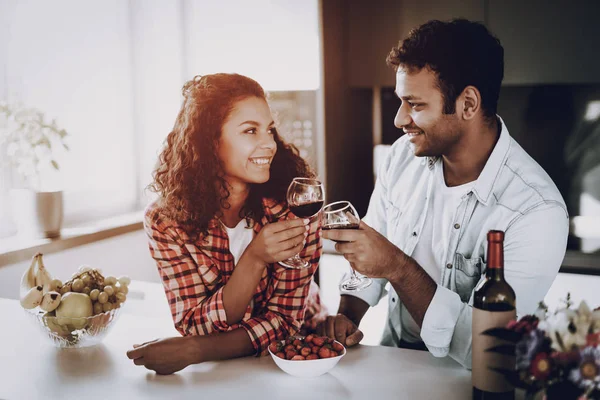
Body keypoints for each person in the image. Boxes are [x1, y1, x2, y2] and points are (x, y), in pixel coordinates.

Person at [320, 19, 569, 368]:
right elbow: (372, 255)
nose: (398, 119)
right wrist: (348, 313)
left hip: (473, 381)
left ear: (468, 104)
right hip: (394, 359)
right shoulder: (402, 157)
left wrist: (398, 267)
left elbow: (484, 347)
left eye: (415, 104)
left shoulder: (535, 211)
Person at [127, 73, 326, 375]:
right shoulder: (165, 221)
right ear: (210, 142)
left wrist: (196, 351)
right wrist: (256, 258)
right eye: (250, 131)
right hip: (223, 377)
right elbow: (195, 324)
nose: (269, 144)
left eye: (269, 131)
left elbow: (284, 323)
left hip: (298, 363)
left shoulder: (295, 209)